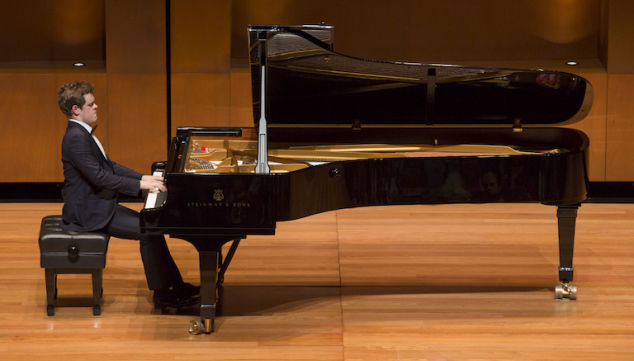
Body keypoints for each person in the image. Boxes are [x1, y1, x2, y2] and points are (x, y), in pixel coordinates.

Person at [57, 81, 198, 310]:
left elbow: (109, 166)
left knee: (152, 225)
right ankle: (163, 296)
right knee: (148, 231)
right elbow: (100, 178)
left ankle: (175, 286)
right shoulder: (75, 138)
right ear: (76, 109)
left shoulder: (82, 134)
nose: (96, 107)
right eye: (91, 104)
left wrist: (144, 178)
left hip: (99, 205)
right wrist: (140, 185)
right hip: (89, 213)